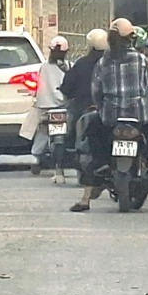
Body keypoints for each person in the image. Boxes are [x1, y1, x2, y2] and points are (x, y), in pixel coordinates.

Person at [72, 19, 148, 212]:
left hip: (110, 117)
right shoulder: (141, 60)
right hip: (140, 116)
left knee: (93, 141)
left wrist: (103, 108)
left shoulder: (103, 62)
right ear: (131, 39)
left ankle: (86, 198)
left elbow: (96, 91)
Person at [57, 29, 107, 187]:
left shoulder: (82, 63)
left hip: (84, 107)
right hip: (105, 109)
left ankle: (66, 158)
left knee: (69, 134)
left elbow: (67, 87)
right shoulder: (112, 63)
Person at [21, 36, 70, 175]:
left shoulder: (44, 67)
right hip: (63, 107)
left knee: (43, 130)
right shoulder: (69, 66)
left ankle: (36, 157)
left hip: (45, 107)